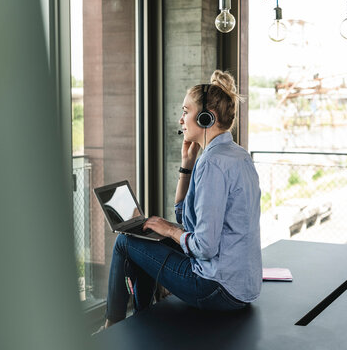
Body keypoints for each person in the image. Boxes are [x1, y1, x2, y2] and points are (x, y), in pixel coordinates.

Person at [100, 70, 262, 330]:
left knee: (124, 242)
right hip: (243, 287)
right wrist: (186, 166)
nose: (181, 119)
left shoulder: (213, 163)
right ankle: (144, 316)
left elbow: (205, 246)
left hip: (216, 289)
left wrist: (171, 231)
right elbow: (184, 217)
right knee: (146, 235)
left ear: (207, 117)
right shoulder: (238, 155)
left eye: (186, 111)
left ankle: (112, 324)